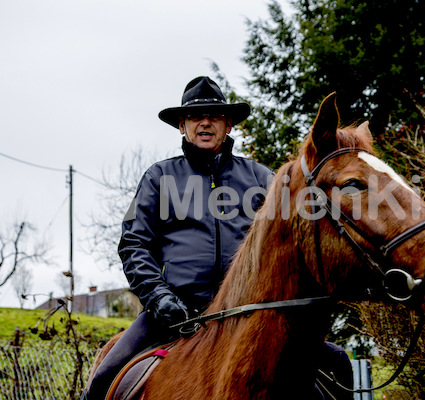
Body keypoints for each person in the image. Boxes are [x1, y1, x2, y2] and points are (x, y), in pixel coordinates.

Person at [83, 76, 351, 400]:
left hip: (249, 315)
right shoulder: (158, 177)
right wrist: (160, 299)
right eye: (196, 116)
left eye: (215, 115)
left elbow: (292, 241)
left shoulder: (261, 179)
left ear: (228, 124)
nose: (205, 122)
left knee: (338, 364)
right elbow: (134, 244)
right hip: (173, 314)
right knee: (102, 381)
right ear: (182, 125)